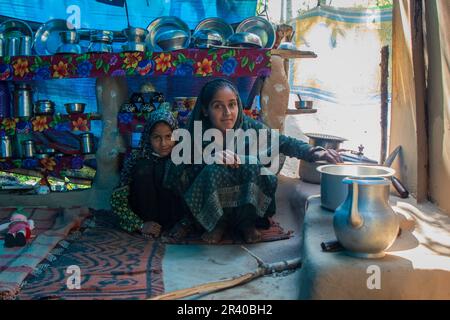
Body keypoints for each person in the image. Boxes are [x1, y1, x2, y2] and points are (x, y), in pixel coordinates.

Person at [164, 78, 341, 244]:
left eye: (232, 105)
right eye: (218, 106)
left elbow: (283, 142)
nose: (227, 113)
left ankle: (246, 223)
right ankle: (217, 224)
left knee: (252, 164)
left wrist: (313, 151)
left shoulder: (247, 126)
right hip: (208, 206)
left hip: (243, 206)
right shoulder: (195, 132)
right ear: (205, 109)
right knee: (213, 168)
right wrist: (207, 158)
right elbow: (175, 171)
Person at [111, 108, 193, 239]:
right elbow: (117, 200)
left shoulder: (183, 158)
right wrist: (140, 224)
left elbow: (195, 195)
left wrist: (184, 224)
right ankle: (149, 226)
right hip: (144, 219)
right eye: (156, 137)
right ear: (148, 137)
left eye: (168, 136)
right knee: (143, 168)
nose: (163, 144)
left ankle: (177, 224)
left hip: (175, 220)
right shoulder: (136, 159)